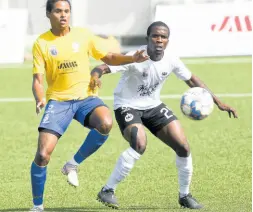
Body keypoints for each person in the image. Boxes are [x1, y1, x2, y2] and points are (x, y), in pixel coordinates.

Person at [89, 21, 238, 210]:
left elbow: (191, 79)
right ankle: (107, 190)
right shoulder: (135, 57)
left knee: (183, 147)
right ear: (148, 38)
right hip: (127, 106)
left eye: (163, 37)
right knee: (139, 144)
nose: (159, 40)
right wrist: (95, 76)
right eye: (155, 36)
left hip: (153, 106)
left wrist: (218, 102)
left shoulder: (171, 59)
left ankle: (185, 195)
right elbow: (102, 67)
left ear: (168, 40)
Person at [30, 0, 149, 211]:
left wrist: (133, 58)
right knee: (42, 155)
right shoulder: (41, 43)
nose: (63, 15)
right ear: (49, 14)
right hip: (58, 101)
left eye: (67, 11)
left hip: (85, 98)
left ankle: (72, 164)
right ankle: (38, 206)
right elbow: (38, 80)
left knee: (105, 122)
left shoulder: (83, 35)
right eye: (58, 11)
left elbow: (109, 57)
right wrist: (40, 98)